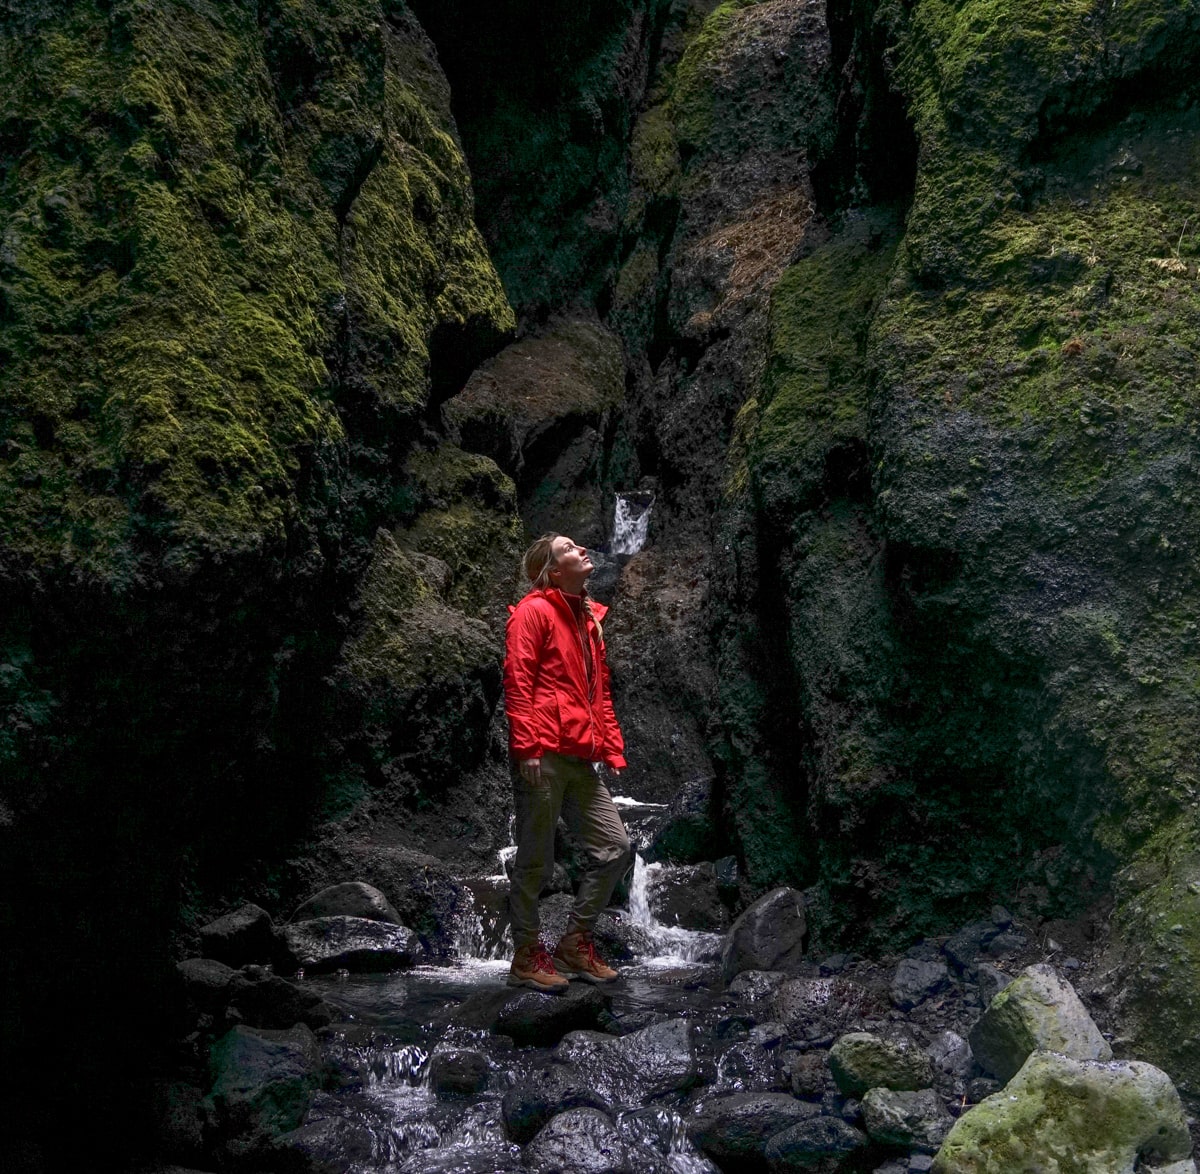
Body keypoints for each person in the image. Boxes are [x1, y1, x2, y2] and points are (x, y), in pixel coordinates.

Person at [503, 533, 632, 992]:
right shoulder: (533, 611)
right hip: (544, 750)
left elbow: (598, 692)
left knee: (616, 848)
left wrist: (610, 747)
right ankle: (526, 955)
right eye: (569, 549)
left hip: (579, 755)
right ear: (554, 572)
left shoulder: (588, 620)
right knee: (536, 861)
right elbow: (518, 678)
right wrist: (528, 746)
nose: (581, 550)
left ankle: (575, 943)